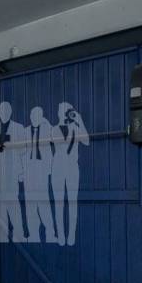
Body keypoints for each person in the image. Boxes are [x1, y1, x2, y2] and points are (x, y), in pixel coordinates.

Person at [51, 102, 89, 246]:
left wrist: (79, 120)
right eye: (62, 110)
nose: (64, 113)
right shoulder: (54, 129)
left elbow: (86, 141)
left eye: (67, 111)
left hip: (72, 168)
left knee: (73, 202)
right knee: (59, 203)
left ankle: (71, 234)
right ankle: (61, 234)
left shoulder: (76, 127)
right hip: (58, 168)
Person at [22, 105, 59, 244]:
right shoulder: (25, 131)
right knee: (30, 205)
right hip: (28, 171)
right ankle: (33, 235)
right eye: (32, 115)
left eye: (37, 116)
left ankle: (50, 233)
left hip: (42, 170)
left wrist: (47, 123)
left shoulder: (47, 129)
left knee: (44, 204)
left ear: (41, 117)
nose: (34, 118)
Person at [0, 101, 26, 243]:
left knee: (14, 204)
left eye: (6, 110)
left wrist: (11, 147)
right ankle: (1, 234)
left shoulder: (18, 128)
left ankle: (19, 233)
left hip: (12, 171)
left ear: (10, 112)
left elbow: (24, 149)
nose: (4, 113)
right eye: (1, 110)